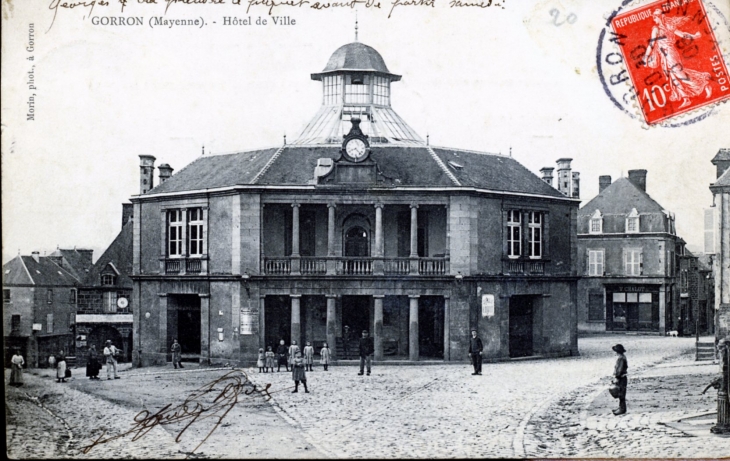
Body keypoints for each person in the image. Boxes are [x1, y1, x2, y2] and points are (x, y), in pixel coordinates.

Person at [643, 9, 712, 109]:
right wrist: (694, 36)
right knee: (673, 75)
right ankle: (686, 99)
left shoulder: (658, 29)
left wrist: (694, 36)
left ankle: (704, 85)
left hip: (670, 54)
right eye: (653, 17)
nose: (654, 19)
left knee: (680, 74)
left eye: (655, 17)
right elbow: (682, 34)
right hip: (665, 55)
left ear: (659, 17)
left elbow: (652, 44)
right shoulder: (663, 27)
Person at [612, 344, 628, 415]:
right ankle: (621, 407)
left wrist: (616, 377)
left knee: (621, 393)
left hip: (621, 377)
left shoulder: (620, 358)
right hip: (622, 377)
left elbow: (619, 370)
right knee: (621, 392)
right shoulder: (622, 357)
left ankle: (622, 408)